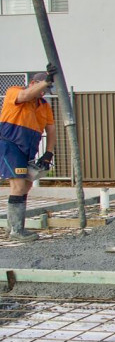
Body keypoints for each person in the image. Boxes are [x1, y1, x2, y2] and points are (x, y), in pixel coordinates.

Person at [0, 64, 58, 242]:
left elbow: (51, 129)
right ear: (34, 83)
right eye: (43, 87)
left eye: (47, 88)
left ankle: (12, 229)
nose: (44, 92)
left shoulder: (44, 106)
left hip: (28, 149)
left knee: (25, 186)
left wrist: (48, 153)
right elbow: (25, 95)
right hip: (10, 145)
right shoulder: (14, 91)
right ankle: (17, 231)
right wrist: (47, 79)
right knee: (18, 186)